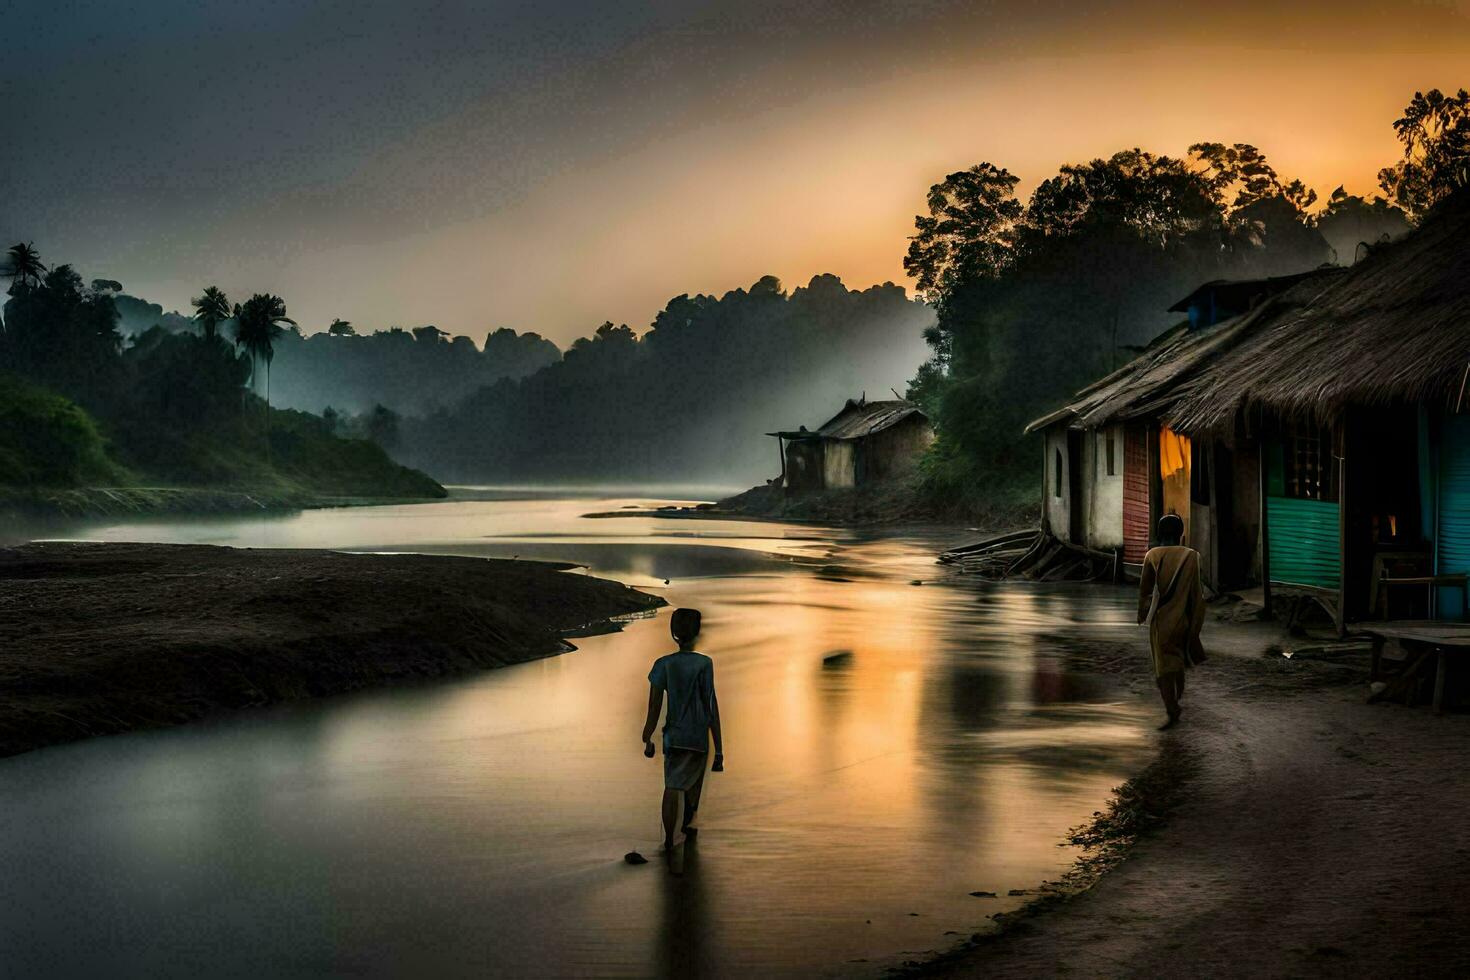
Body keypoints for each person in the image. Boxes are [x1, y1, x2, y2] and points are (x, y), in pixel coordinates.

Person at [641, 608, 723, 852]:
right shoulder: (704, 664)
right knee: (692, 787)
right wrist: (719, 751)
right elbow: (711, 707)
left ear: (673, 633)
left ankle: (668, 840)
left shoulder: (663, 664)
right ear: (696, 632)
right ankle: (688, 827)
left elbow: (654, 708)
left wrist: (647, 737)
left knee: (671, 786)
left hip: (673, 737)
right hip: (697, 737)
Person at [1136, 513, 1205, 730]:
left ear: (1159, 533)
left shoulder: (1153, 555)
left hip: (1162, 622)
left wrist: (1142, 615)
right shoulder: (1193, 556)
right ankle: (1179, 686)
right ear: (1181, 533)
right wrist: (1195, 625)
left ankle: (1172, 709)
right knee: (1176, 660)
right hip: (1184, 620)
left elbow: (1145, 591)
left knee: (1162, 671)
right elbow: (1197, 594)